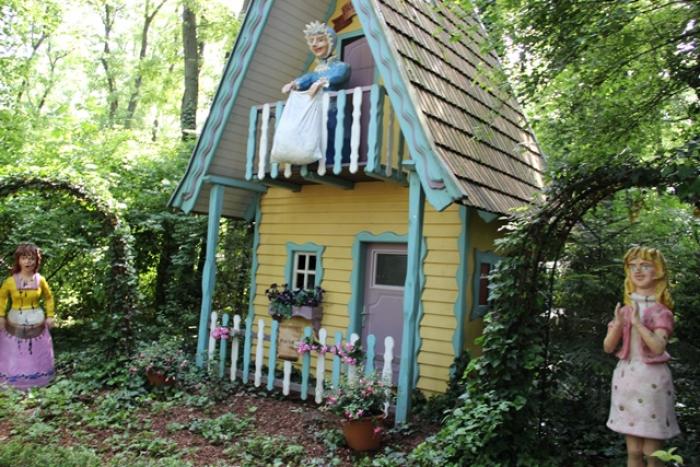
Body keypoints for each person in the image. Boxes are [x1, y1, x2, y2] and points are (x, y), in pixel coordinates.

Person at [604, 246, 680, 467]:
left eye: (645, 265)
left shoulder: (661, 312)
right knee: (634, 450)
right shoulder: (625, 310)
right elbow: (608, 347)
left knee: (652, 452)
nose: (637, 271)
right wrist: (619, 324)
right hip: (627, 379)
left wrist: (638, 323)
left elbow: (658, 347)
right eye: (633, 266)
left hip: (652, 381)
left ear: (658, 271)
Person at [282, 21, 350, 164]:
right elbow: (307, 78)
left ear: (330, 42)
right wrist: (294, 84)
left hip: (333, 110)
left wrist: (320, 83)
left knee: (333, 134)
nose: (315, 44)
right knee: (313, 135)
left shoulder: (341, 66)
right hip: (316, 111)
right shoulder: (316, 72)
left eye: (320, 40)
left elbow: (337, 75)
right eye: (311, 41)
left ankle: (333, 160)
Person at [0, 243, 55, 389]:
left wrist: (50, 315)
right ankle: (13, 380)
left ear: (37, 261)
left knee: (37, 351)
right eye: (24, 258)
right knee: (14, 351)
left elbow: (49, 297)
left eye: (31, 258)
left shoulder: (40, 280)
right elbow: (2, 298)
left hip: (37, 322)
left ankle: (39, 378)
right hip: (14, 322)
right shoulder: (10, 281)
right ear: (18, 260)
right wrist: (1, 316)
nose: (28, 262)